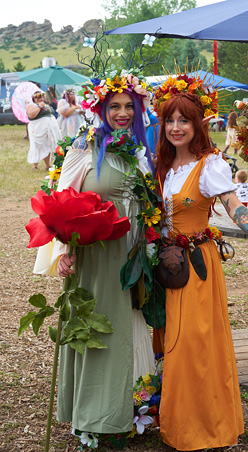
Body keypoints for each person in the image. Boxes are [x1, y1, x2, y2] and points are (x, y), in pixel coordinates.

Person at [33, 70, 156, 437]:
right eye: (114, 106)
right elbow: (59, 204)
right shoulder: (83, 149)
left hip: (131, 258)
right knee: (98, 329)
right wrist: (62, 251)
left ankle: (130, 409)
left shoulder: (138, 152)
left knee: (127, 325)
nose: (122, 113)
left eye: (128, 106)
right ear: (100, 109)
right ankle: (94, 416)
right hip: (96, 258)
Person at [153, 91, 248, 451]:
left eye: (184, 120)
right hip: (166, 263)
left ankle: (204, 426)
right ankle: (176, 422)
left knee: (196, 342)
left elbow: (232, 204)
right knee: (171, 339)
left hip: (197, 264)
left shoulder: (209, 165)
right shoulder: (163, 166)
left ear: (197, 125)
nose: (176, 128)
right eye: (170, 120)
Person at [26, 90, 62, 171]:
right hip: (38, 129)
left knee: (47, 146)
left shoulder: (46, 105)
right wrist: (39, 106)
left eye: (42, 96)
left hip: (49, 129)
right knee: (37, 145)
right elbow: (31, 115)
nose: (40, 98)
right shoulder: (31, 105)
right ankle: (35, 166)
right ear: (34, 98)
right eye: (37, 97)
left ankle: (48, 165)